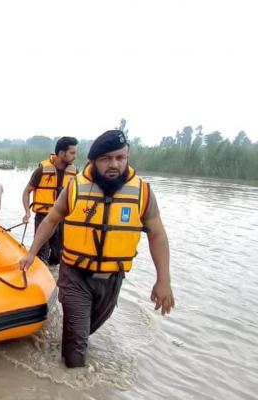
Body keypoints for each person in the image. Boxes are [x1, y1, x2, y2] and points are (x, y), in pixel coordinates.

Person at [19, 130, 175, 368]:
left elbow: (157, 234)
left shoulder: (142, 193)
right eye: (106, 159)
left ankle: (67, 344)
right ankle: (70, 380)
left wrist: (163, 280)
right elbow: (51, 220)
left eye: (120, 158)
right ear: (93, 161)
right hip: (75, 275)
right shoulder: (75, 188)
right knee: (76, 352)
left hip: (112, 279)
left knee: (84, 332)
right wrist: (31, 253)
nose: (114, 164)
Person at [22, 137, 78, 264]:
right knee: (42, 254)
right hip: (43, 217)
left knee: (58, 256)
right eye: (72, 153)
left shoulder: (75, 173)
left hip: (63, 219)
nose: (75, 156)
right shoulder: (41, 171)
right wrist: (27, 212)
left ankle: (53, 278)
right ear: (62, 153)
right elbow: (26, 192)